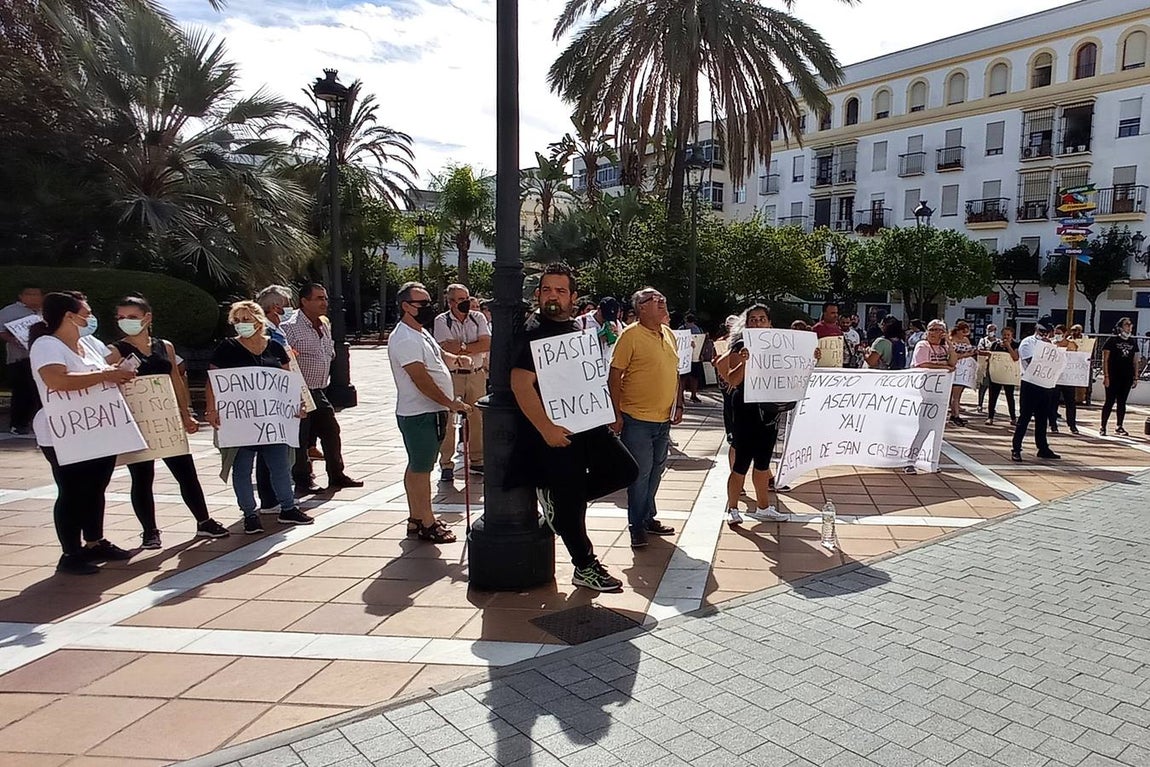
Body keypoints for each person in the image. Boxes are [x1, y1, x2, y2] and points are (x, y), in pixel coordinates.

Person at [510, 264, 637, 591]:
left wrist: (604, 407)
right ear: (538, 294)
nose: (553, 296)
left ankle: (558, 505)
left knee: (625, 469)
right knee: (571, 504)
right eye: (547, 290)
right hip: (557, 433)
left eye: (560, 291)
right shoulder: (534, 333)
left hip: (588, 424)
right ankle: (584, 564)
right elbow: (521, 385)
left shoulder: (574, 331)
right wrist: (547, 429)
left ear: (573, 297)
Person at [106, 295, 229, 548]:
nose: (125, 322)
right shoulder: (115, 350)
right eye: (121, 318)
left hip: (167, 419)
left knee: (186, 472)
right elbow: (105, 381)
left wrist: (186, 413)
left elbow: (175, 379)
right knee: (142, 476)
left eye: (132, 317)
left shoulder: (165, 346)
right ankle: (149, 530)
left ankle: (204, 520)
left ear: (147, 318)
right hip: (139, 422)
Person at [28, 291, 136, 574]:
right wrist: (105, 376)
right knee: (72, 490)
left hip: (96, 429)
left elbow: (97, 372)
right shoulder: (46, 345)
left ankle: (94, 540)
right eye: (85, 314)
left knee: (95, 487)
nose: (90, 318)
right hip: (64, 432)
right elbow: (56, 379)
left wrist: (115, 372)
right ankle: (70, 552)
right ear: (69, 316)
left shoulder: (86, 344)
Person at [207, 301, 313, 533]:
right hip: (240, 422)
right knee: (242, 468)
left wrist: (297, 404)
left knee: (280, 465)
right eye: (237, 320)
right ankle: (249, 514)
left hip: (272, 420)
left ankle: (288, 508)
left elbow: (288, 381)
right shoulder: (227, 349)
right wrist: (211, 409)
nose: (242, 324)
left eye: (247, 319)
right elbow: (213, 382)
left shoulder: (275, 348)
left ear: (259, 320)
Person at [388, 282, 472, 543]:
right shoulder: (404, 338)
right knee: (421, 469)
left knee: (418, 465)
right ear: (405, 306)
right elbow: (420, 379)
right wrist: (450, 402)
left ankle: (417, 517)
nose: (427, 308)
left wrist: (455, 359)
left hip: (429, 412)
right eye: (421, 304)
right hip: (419, 414)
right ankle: (426, 520)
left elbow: (437, 355)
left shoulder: (419, 333)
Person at [715, 304, 801, 525]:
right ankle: (732, 508)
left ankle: (763, 507)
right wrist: (744, 361)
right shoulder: (741, 346)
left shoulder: (780, 346)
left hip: (769, 411)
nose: (757, 323)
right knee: (741, 463)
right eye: (753, 319)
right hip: (745, 409)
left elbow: (795, 370)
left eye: (762, 319)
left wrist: (811, 356)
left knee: (763, 462)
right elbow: (731, 379)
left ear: (770, 323)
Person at [609, 287, 682, 548]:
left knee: (656, 471)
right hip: (636, 418)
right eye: (655, 300)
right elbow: (614, 376)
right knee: (639, 474)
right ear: (641, 308)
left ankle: (648, 517)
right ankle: (636, 526)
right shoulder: (630, 336)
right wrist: (615, 414)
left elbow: (676, 371)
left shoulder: (669, 334)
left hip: (663, 419)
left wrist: (679, 404)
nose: (662, 303)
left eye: (663, 298)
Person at [282, 283, 363, 495]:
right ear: (304, 301)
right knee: (302, 437)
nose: (324, 302)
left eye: (325, 298)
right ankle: (302, 479)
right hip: (299, 391)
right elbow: (285, 358)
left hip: (319, 390)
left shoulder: (324, 324)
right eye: (319, 298)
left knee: (331, 430)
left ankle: (337, 474)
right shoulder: (290, 326)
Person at [432, 283, 492, 480]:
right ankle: (446, 463)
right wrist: (470, 347)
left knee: (478, 418)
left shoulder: (478, 318)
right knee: (449, 420)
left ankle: (477, 459)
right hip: (453, 374)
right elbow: (445, 347)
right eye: (459, 299)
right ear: (450, 302)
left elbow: (486, 343)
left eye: (466, 298)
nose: (464, 302)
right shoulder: (442, 321)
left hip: (476, 373)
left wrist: (462, 347)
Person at [1011, 319, 1060, 462]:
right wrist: (1045, 347)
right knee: (1024, 417)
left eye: (1047, 332)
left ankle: (1043, 448)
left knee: (1042, 418)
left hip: (1045, 384)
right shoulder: (1028, 343)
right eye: (1042, 331)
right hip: (1030, 383)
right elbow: (1033, 362)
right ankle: (1016, 448)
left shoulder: (1051, 345)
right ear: (1036, 329)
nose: (1044, 334)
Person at [0, 284, 44, 435]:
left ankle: (39, 424)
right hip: (20, 358)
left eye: (37, 294)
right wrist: (13, 339)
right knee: (22, 392)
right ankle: (18, 424)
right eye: (30, 294)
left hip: (42, 358)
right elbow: (1, 332)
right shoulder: (9, 311)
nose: (34, 298)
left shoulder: (45, 312)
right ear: (21, 296)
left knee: (40, 392)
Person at [1100, 317, 1139, 436]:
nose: (1129, 327)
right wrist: (1106, 376)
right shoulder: (1112, 340)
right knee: (1109, 401)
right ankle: (1103, 426)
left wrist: (1136, 377)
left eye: (1130, 325)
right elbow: (1105, 359)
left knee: (1122, 402)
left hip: (1126, 377)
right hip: (1113, 376)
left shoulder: (1133, 342)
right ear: (1120, 327)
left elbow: (1135, 361)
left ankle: (1119, 425)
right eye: (1127, 325)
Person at [984, 326, 1019, 427]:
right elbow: (990, 356)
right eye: (1004, 335)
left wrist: (1008, 346)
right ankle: (990, 417)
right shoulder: (995, 345)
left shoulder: (1016, 345)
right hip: (996, 374)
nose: (1006, 337)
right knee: (993, 396)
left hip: (1009, 375)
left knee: (1010, 396)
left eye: (1008, 335)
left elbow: (1016, 357)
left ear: (1012, 336)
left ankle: (1013, 417)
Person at [1050, 325, 1080, 435]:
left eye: (1059, 332)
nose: (1056, 335)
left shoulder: (1072, 344)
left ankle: (1072, 425)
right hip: (1055, 378)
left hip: (1068, 378)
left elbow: (1077, 359)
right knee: (1053, 402)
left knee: (1070, 402)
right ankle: (1053, 425)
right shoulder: (1051, 344)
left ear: (1064, 333)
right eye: (1055, 332)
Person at [948, 321, 978, 426]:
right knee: (955, 394)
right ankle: (955, 415)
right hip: (956, 368)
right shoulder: (951, 340)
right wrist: (965, 355)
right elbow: (952, 355)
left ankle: (954, 413)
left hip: (964, 369)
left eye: (966, 332)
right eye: (962, 332)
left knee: (958, 394)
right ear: (958, 330)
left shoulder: (965, 340)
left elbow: (970, 351)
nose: (964, 334)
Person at [576, 296, 623, 363]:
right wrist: (597, 339)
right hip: (588, 365)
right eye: (604, 316)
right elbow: (574, 348)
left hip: (606, 365)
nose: (606, 320)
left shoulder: (616, 323)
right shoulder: (581, 321)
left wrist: (617, 337)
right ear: (598, 309)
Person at [679, 313, 706, 403]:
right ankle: (691, 395)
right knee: (691, 377)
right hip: (692, 356)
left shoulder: (682, 329)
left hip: (688, 357)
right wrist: (701, 354)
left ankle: (683, 396)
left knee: (685, 377)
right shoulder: (698, 329)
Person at [976, 323, 999, 412]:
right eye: (989, 330)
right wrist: (988, 353)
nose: (990, 332)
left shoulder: (998, 342)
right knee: (983, 386)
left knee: (993, 389)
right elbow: (979, 350)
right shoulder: (983, 340)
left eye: (992, 330)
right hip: (985, 366)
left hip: (995, 368)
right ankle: (980, 404)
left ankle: (992, 407)